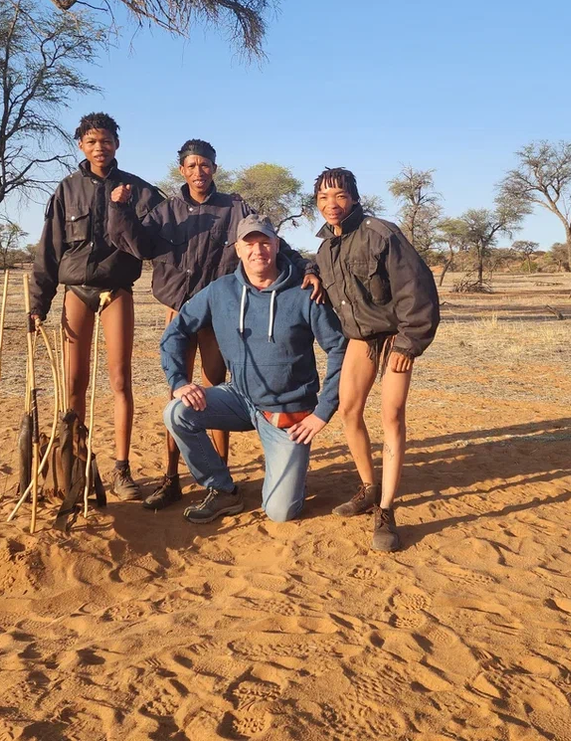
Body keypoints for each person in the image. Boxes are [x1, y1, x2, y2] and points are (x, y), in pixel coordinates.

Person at [107, 139, 324, 510]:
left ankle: (221, 482)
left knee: (216, 390)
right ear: (182, 171)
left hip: (220, 313)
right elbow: (138, 245)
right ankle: (171, 478)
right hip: (179, 309)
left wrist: (308, 268)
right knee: (179, 394)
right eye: (191, 166)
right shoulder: (167, 210)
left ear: (214, 168)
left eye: (205, 165)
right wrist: (121, 209)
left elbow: (275, 245)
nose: (199, 172)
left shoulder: (235, 208)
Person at [160, 214, 346, 524]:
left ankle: (290, 475)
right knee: (177, 412)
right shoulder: (220, 291)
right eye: (249, 244)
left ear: (277, 245)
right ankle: (222, 489)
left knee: (280, 512)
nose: (257, 250)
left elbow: (340, 348)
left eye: (264, 242)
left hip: (287, 412)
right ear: (237, 249)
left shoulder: (305, 292)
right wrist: (179, 381)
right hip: (239, 398)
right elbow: (176, 331)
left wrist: (322, 412)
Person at [29, 112, 164, 501]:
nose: (99, 147)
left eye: (106, 141)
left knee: (120, 381)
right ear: (81, 146)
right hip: (76, 291)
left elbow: (152, 245)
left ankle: (122, 470)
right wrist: (38, 303)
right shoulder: (67, 189)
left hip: (117, 291)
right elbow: (49, 249)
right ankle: (76, 466)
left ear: (117, 144)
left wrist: (125, 210)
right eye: (91, 142)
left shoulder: (140, 191)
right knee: (74, 383)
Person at [313, 167, 440, 552]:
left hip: (395, 336)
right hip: (360, 338)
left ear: (354, 197)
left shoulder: (381, 233)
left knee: (392, 416)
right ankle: (369, 488)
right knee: (349, 410)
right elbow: (317, 268)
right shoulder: (325, 247)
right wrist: (311, 273)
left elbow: (417, 289)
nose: (332, 204)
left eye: (339, 196)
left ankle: (386, 510)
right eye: (323, 198)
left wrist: (408, 344)